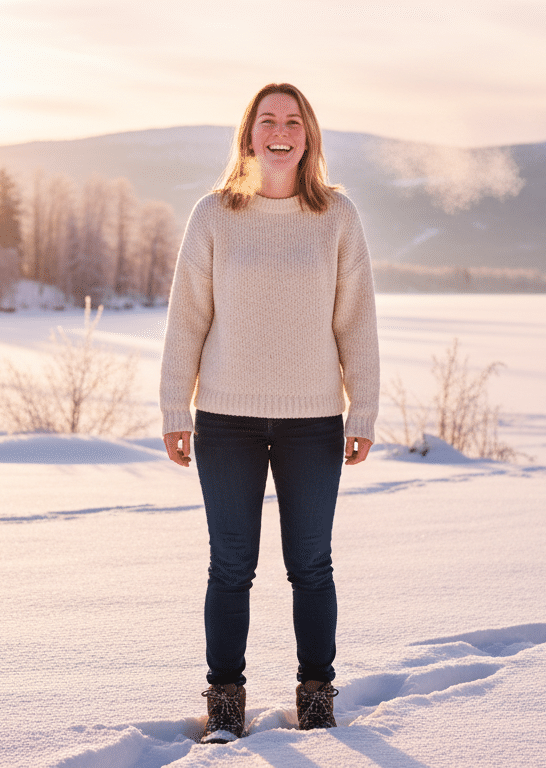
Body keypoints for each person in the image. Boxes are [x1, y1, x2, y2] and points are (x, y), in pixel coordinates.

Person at [159, 83, 380, 744]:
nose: (279, 131)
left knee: (310, 565)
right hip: (224, 420)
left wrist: (361, 409)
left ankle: (316, 696)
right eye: (267, 121)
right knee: (230, 566)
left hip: (313, 422)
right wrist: (177, 406)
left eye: (292, 121)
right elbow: (187, 321)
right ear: (249, 135)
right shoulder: (214, 214)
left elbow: (357, 322)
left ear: (307, 135)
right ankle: (224, 700)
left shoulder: (337, 216)